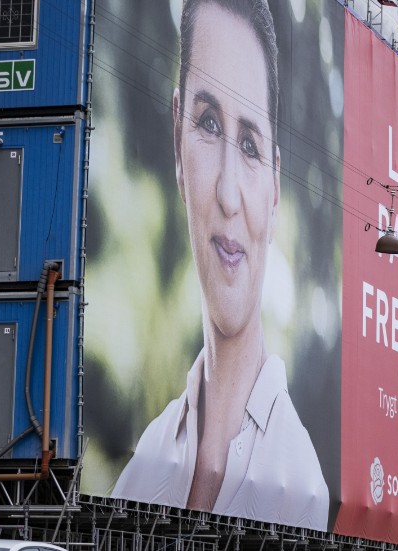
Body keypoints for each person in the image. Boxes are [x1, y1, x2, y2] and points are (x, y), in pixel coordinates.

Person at [112, 0, 330, 530]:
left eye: (251, 145)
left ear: (276, 187)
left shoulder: (300, 486)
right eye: (208, 123)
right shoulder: (143, 463)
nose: (230, 193)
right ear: (177, 139)